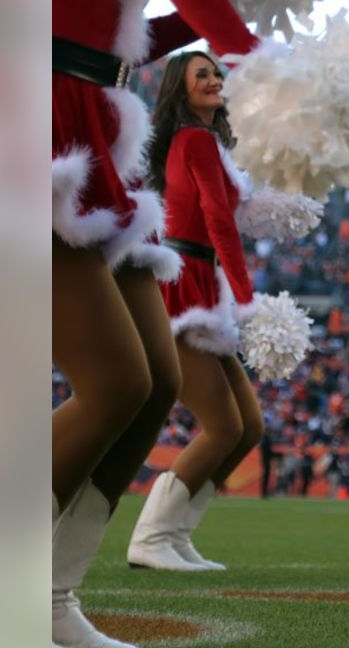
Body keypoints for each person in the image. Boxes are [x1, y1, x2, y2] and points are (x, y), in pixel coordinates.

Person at [53, 0, 260, 645]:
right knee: (113, 383)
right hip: (42, 122)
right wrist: (253, 55)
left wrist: (227, 8)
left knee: (154, 385)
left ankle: (50, 597)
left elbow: (127, 39)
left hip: (98, 129)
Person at [124, 52, 263, 572]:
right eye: (200, 74)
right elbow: (217, 219)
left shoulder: (208, 142)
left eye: (215, 72)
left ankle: (176, 534)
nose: (213, 80)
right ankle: (152, 536)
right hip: (187, 284)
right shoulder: (196, 139)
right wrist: (247, 295)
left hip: (204, 281)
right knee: (224, 426)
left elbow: (227, 213)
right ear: (179, 90)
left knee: (248, 427)